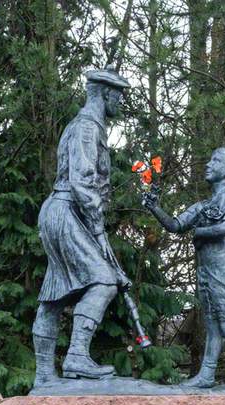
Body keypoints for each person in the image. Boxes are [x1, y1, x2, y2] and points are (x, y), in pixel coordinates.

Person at [33, 69, 132, 383]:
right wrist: (98, 229)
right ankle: (76, 357)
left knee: (55, 296)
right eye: (119, 94)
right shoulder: (88, 128)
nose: (121, 101)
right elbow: (82, 182)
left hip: (60, 212)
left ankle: (45, 376)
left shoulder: (85, 125)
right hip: (67, 211)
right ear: (105, 93)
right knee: (104, 281)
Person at [142, 147, 225, 388]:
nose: (208, 164)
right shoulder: (203, 205)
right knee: (213, 326)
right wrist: (154, 207)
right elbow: (175, 225)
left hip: (223, 267)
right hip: (206, 270)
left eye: (214, 160)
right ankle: (206, 375)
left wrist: (200, 232)